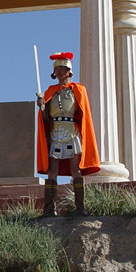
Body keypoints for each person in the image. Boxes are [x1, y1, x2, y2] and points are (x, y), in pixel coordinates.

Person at [36, 52, 100, 216]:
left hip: (72, 131)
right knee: (52, 170)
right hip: (55, 132)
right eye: (57, 69)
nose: (59, 71)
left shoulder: (78, 89)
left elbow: (82, 113)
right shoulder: (50, 92)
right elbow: (45, 119)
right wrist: (42, 107)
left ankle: (80, 208)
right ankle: (49, 208)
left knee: (75, 169)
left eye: (62, 68)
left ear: (69, 71)